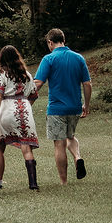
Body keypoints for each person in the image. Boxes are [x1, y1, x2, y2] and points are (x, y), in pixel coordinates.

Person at [33, 28, 92, 184]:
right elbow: (87, 84)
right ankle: (77, 157)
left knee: (59, 144)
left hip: (56, 108)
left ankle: (63, 181)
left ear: (50, 42)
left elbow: (38, 83)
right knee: (69, 136)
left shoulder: (49, 59)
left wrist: (26, 100)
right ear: (63, 40)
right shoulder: (78, 58)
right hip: (75, 107)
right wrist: (86, 105)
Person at [0, 45, 40, 191]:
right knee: (26, 147)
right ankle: (33, 183)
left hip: (6, 110)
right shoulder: (27, 75)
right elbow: (34, 95)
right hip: (24, 111)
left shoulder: (1, 74)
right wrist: (25, 106)